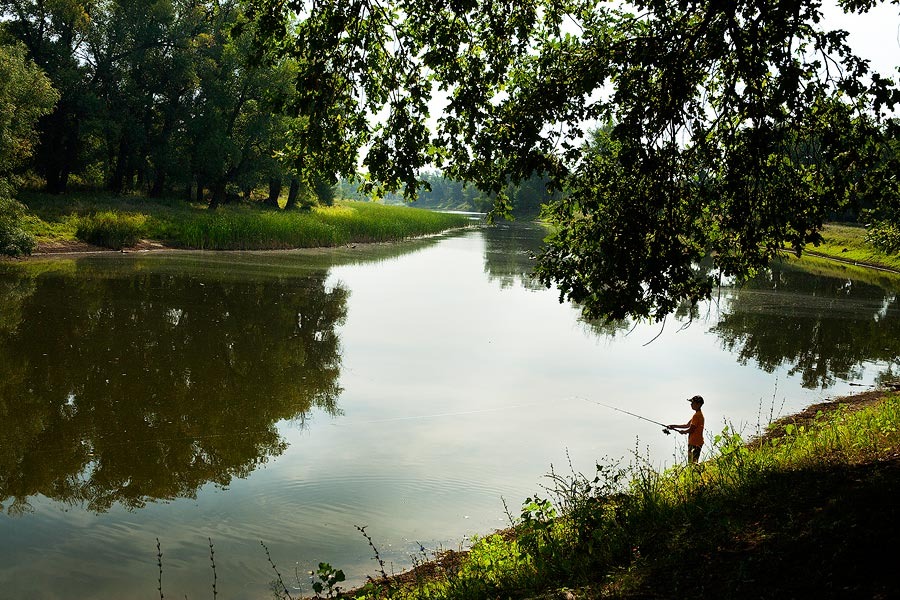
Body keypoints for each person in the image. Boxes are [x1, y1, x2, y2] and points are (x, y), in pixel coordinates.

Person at [668, 395, 705, 464]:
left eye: (693, 403)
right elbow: (687, 425)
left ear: (698, 404)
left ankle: (695, 473)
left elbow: (691, 429)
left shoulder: (697, 416)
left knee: (692, 462)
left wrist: (683, 432)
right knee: (694, 461)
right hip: (697, 442)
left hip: (694, 442)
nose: (691, 404)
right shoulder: (698, 414)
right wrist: (673, 426)